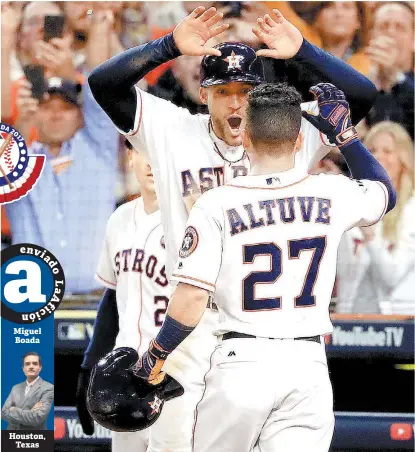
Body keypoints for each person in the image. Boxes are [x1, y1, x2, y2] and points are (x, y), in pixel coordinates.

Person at [86, 3, 376, 439]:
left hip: (261, 325)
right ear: (204, 94)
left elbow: (362, 96)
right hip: (189, 320)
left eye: (245, 91)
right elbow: (103, 85)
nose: (235, 102)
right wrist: (168, 46)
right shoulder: (173, 129)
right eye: (223, 91)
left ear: (260, 95)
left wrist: (302, 50)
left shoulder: (285, 131)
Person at [135, 82, 396, 452]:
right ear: (296, 141)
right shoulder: (332, 192)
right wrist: (345, 136)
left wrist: (155, 357)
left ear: (246, 138)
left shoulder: (216, 203)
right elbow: (385, 191)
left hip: (242, 362)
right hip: (307, 365)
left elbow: (191, 298)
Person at [76, 142, 200, 451]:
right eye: (143, 151)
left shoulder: (197, 219)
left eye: (161, 152)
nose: (152, 162)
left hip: (180, 377)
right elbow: (114, 298)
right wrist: (89, 365)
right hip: (125, 378)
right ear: (130, 157)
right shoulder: (119, 219)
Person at [5, 77, 119, 294]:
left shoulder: (98, 151)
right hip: (33, 302)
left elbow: (100, 92)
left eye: (66, 108)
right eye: (46, 107)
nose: (56, 115)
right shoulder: (19, 163)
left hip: (96, 301)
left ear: (80, 116)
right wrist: (21, 125)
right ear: (35, 114)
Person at [336, 121, 414, 314]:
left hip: (399, 325)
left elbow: (392, 276)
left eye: (387, 151)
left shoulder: (411, 210)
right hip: (350, 321)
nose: (378, 157)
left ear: (403, 159)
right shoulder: (351, 203)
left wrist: (370, 235)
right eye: (371, 150)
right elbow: (340, 271)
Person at [365, 2, 414, 139]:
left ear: (413, 40)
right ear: (371, 38)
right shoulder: (356, 85)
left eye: (400, 27)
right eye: (383, 26)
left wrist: (394, 77)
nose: (391, 33)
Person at [1, 352, 54, 430]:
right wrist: (30, 412)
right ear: (23, 368)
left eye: (35, 364)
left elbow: (37, 418)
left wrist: (14, 410)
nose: (31, 366)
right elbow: (3, 413)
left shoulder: (49, 388)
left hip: (35, 438)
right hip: (12, 437)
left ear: (40, 367)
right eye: (27, 364)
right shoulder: (15, 388)